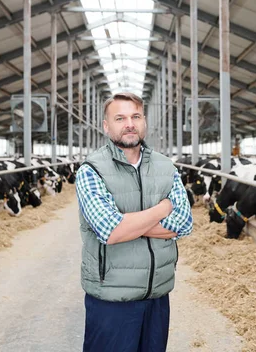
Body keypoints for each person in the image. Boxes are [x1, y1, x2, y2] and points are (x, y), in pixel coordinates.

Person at [75, 92, 193, 352]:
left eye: (135, 116)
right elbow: (111, 231)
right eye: (120, 118)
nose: (129, 123)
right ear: (107, 126)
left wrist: (129, 224)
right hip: (111, 298)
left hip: (157, 294)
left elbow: (184, 224)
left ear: (144, 122)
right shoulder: (91, 170)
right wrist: (163, 208)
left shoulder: (166, 167)